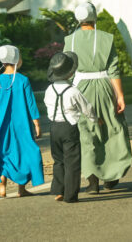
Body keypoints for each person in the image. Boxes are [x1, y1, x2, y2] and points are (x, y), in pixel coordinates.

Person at [64, 2, 132, 194]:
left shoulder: (69, 40)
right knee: (112, 128)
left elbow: (66, 68)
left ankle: (92, 181)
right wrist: (120, 95)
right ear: (94, 17)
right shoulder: (105, 38)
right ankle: (111, 177)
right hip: (104, 87)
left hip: (79, 89)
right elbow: (113, 69)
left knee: (86, 133)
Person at [0, 45, 44, 198]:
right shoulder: (23, 80)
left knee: (4, 151)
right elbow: (31, 103)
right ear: (17, 60)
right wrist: (37, 123)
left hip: (1, 124)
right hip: (22, 124)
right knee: (24, 151)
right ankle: (21, 188)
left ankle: (2, 183)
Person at [44, 51, 99, 203]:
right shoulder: (73, 91)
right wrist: (95, 119)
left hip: (54, 127)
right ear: (70, 73)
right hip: (69, 128)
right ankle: (70, 195)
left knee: (58, 160)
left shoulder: (49, 90)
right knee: (72, 162)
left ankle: (58, 190)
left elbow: (48, 106)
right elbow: (86, 108)